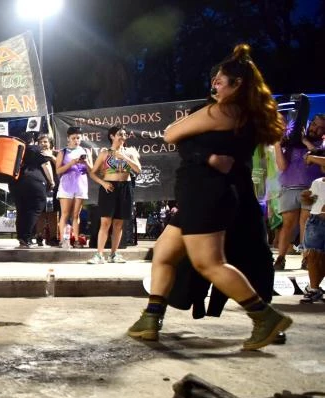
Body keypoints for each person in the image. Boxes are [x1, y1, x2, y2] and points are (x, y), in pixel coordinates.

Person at [128, 44, 291, 351]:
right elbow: (189, 143)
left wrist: (197, 145)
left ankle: (265, 318)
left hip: (207, 194)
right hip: (199, 193)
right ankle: (150, 319)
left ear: (237, 84)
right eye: (214, 79)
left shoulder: (223, 111)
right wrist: (204, 153)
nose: (214, 84)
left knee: (209, 263)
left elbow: (170, 134)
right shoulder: (239, 114)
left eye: (220, 80)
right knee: (163, 252)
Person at [272, 99, 323, 271]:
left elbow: (319, 157)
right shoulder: (292, 143)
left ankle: (306, 258)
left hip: (310, 190)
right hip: (289, 188)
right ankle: (280, 257)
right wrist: (278, 144)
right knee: (288, 223)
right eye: (314, 124)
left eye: (320, 127)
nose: (314, 128)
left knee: (305, 223)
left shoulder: (320, 147)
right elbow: (282, 166)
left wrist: (307, 143)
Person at [90, 126, 142, 263]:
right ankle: (99, 255)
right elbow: (92, 172)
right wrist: (103, 183)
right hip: (109, 187)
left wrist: (124, 156)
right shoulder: (104, 153)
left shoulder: (130, 152)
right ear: (112, 136)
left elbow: (138, 169)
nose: (123, 136)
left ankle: (114, 254)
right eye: (120, 134)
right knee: (105, 222)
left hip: (126, 187)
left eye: (124, 134)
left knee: (119, 223)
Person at [10, 133, 53, 249]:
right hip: (34, 182)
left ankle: (22, 238)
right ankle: (26, 237)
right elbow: (46, 165)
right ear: (33, 140)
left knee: (21, 210)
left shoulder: (15, 150)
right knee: (35, 208)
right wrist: (51, 181)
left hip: (15, 184)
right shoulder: (35, 149)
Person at [56, 126, 92, 249]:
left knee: (76, 215)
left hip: (80, 184)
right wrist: (71, 163)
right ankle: (63, 240)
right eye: (73, 138)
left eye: (78, 138)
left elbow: (92, 170)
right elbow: (58, 170)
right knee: (65, 214)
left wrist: (85, 162)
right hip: (66, 185)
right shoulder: (63, 152)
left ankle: (76, 240)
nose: (76, 140)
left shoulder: (86, 151)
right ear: (68, 138)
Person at [299, 155, 325, 303]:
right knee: (313, 256)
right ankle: (314, 288)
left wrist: (310, 157)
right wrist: (307, 197)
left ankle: (314, 288)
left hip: (317, 221)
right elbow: (311, 200)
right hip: (316, 221)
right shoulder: (317, 182)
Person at [34, 133, 60, 246]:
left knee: (53, 214)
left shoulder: (57, 153)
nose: (43, 144)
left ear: (50, 143)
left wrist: (51, 156)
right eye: (41, 142)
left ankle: (54, 237)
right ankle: (39, 236)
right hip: (40, 186)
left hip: (54, 186)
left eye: (45, 142)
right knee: (41, 213)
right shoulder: (36, 154)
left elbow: (61, 165)